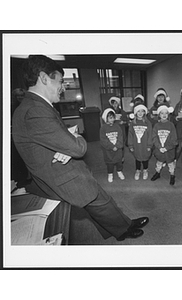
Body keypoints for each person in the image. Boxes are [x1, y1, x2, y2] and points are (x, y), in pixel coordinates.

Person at [12, 55, 148, 242]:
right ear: (44, 78)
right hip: (61, 177)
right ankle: (123, 230)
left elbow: (53, 139)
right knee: (99, 201)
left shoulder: (34, 106)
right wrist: (75, 137)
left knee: (101, 201)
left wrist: (65, 142)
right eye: (60, 81)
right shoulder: (35, 111)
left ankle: (123, 226)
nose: (63, 86)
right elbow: (78, 148)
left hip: (61, 170)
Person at [151, 105, 178, 185]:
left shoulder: (171, 125)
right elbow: (154, 137)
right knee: (159, 163)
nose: (164, 115)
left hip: (169, 150)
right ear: (159, 115)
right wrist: (159, 147)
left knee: (171, 164)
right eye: (162, 113)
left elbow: (174, 139)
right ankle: (157, 173)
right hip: (159, 150)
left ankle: (172, 175)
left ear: (168, 114)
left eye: (166, 113)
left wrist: (167, 148)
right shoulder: (156, 125)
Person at [128, 104, 152, 180]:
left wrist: (149, 145)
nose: (140, 113)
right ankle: (137, 170)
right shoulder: (133, 123)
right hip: (136, 145)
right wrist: (130, 145)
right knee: (137, 158)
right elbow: (130, 135)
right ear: (135, 113)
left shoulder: (148, 123)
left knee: (145, 158)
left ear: (145, 113)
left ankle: (145, 170)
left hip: (145, 144)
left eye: (142, 111)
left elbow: (150, 134)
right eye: (138, 111)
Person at [100, 108, 125, 183]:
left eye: (113, 117)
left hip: (118, 149)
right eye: (109, 117)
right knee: (109, 163)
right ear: (106, 118)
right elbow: (103, 140)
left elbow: (121, 137)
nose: (112, 119)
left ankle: (119, 171)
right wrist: (111, 146)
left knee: (119, 161)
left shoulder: (117, 127)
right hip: (108, 150)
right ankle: (110, 173)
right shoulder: (103, 128)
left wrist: (117, 146)